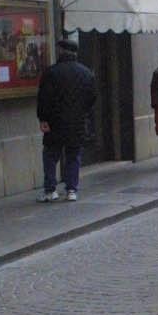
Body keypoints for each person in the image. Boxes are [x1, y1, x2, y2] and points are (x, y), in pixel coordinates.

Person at [36, 39, 97, 203]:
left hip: (55, 122)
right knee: (73, 155)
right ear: (75, 53)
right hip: (77, 122)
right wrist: (83, 114)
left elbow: (44, 98)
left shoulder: (51, 72)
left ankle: (50, 190)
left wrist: (43, 118)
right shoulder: (86, 73)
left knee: (50, 155)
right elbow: (92, 98)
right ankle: (71, 190)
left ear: (61, 51)